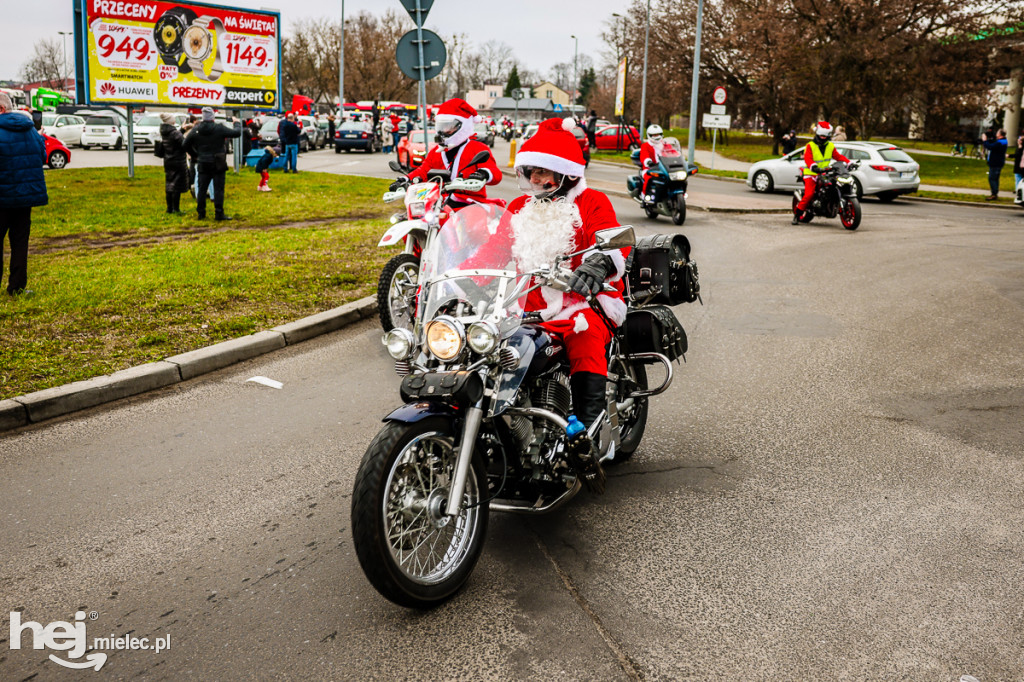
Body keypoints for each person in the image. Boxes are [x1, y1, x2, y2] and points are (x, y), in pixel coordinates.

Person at [465, 117, 631, 491]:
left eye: (545, 173)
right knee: (485, 350)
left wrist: (601, 261)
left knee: (585, 338)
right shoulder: (521, 206)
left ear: (567, 174)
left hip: (582, 301)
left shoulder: (591, 201)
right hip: (525, 306)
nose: (537, 180)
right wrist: (462, 280)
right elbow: (492, 249)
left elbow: (612, 239)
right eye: (532, 172)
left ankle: (585, 436)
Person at [396, 98, 503, 207]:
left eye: (448, 127)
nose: (444, 131)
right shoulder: (436, 152)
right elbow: (423, 171)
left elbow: (495, 173)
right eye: (441, 126)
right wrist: (405, 179)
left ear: (462, 126)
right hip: (440, 205)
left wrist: (483, 174)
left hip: (470, 205)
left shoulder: (478, 148)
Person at [0, 92, 46, 296]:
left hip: (1, 199)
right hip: (24, 198)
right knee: (20, 244)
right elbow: (42, 156)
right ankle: (17, 287)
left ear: (1, 109)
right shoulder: (30, 130)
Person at [183, 107, 241, 221]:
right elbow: (236, 133)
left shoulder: (196, 129)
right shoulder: (218, 128)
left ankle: (201, 213)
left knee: (202, 189)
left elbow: (185, 144)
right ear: (213, 117)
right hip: (218, 162)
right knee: (218, 189)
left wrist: (195, 154)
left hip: (203, 162)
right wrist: (237, 123)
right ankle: (219, 213)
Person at [793, 121, 850, 224]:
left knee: (833, 186)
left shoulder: (830, 146)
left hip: (825, 173)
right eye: (821, 135)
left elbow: (838, 156)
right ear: (818, 134)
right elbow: (808, 158)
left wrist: (848, 162)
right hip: (811, 173)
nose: (823, 137)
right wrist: (813, 166)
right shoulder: (810, 145)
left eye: (825, 135)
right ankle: (797, 215)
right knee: (809, 194)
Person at [158, 112, 188, 214]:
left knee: (169, 184)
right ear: (171, 121)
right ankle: (176, 208)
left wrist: (182, 130)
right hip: (178, 161)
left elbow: (173, 139)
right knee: (177, 186)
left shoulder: (165, 131)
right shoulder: (174, 132)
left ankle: (169, 208)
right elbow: (183, 143)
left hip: (168, 160)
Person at [638, 124, 665, 203]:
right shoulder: (645, 146)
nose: (656, 136)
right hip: (650, 168)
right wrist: (648, 162)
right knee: (648, 177)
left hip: (663, 168)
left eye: (658, 134)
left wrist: (679, 158)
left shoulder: (665, 144)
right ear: (649, 135)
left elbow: (673, 152)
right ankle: (644, 196)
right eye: (654, 135)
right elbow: (644, 155)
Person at [981, 128, 1008, 200]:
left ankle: (994, 194)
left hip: (995, 163)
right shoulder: (1003, 141)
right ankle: (995, 193)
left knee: (992, 178)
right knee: (995, 178)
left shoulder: (1000, 142)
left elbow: (990, 147)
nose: (996, 133)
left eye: (997, 132)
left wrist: (984, 140)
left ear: (1000, 134)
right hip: (998, 163)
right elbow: (993, 145)